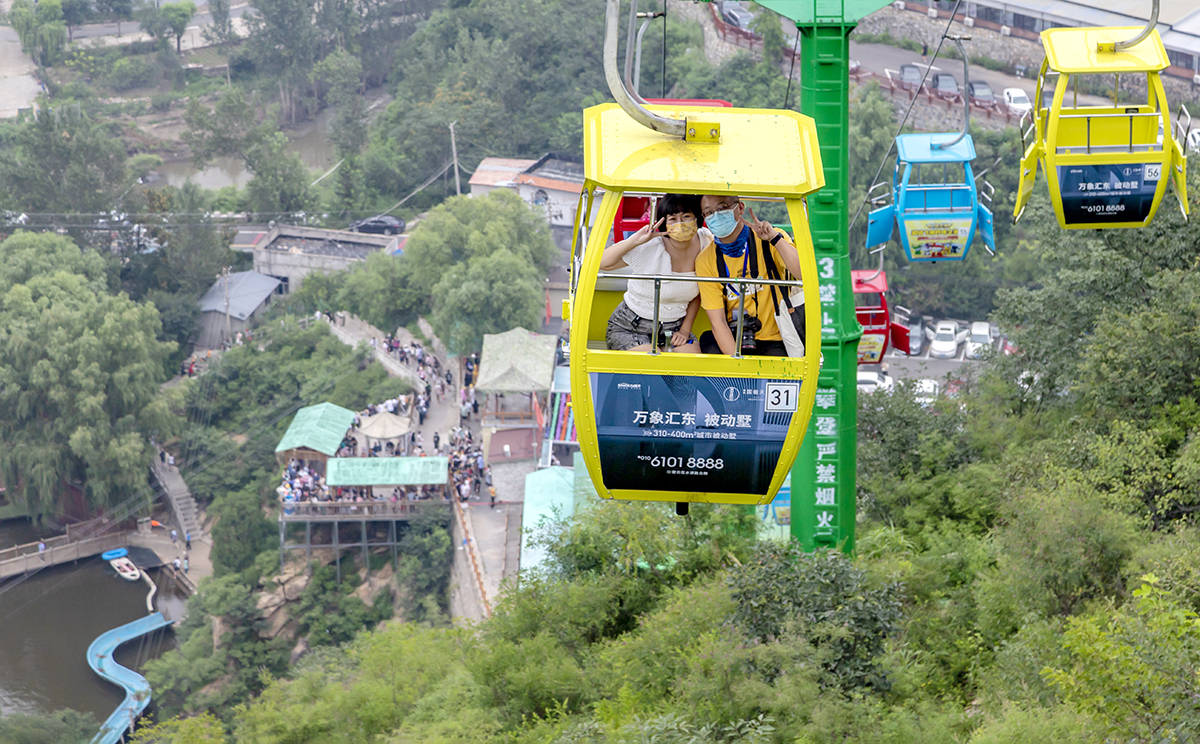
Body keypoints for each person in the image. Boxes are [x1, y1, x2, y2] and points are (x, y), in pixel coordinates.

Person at [695, 195, 805, 356]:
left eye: (722, 208)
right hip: (735, 338)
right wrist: (738, 364)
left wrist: (774, 239)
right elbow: (717, 322)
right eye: (709, 212)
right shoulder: (706, 260)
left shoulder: (771, 239)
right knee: (708, 342)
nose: (716, 216)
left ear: (740, 208)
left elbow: (802, 273)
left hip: (777, 338)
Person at [602, 193, 709, 352]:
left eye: (686, 216)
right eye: (673, 219)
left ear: (697, 218)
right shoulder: (652, 247)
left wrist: (685, 330)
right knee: (651, 360)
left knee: (690, 359)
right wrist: (635, 239)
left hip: (674, 329)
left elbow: (700, 292)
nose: (680, 224)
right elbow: (604, 263)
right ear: (664, 223)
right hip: (631, 326)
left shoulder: (706, 242)